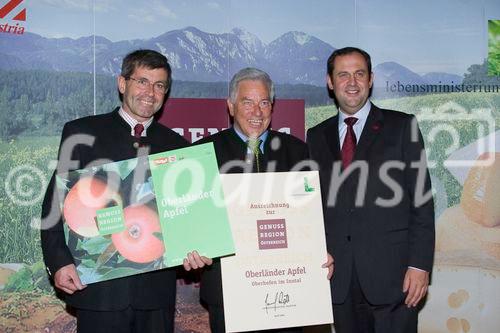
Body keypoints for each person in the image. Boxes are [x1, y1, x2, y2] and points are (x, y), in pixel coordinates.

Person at [40, 49, 210, 333]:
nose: (150, 92)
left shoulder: (179, 148)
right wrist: (59, 263)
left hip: (155, 296)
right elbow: (54, 205)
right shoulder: (82, 134)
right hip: (98, 292)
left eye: (159, 85)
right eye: (142, 81)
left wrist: (197, 248)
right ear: (122, 84)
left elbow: (187, 218)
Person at [194, 67, 334, 333]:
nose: (256, 112)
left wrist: (322, 249)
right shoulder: (203, 156)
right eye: (247, 102)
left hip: (288, 294)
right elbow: (195, 226)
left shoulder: (298, 151)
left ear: (272, 106)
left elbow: (316, 216)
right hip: (229, 294)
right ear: (231, 106)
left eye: (264, 103)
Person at [307, 47, 435, 333]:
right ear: (330, 82)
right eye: (343, 74)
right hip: (338, 279)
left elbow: (422, 202)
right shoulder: (316, 136)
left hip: (394, 278)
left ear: (371, 79)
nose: (352, 82)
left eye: (359, 74)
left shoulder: (402, 126)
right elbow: (312, 206)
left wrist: (419, 265)